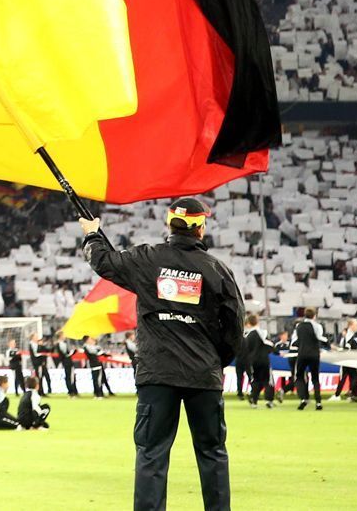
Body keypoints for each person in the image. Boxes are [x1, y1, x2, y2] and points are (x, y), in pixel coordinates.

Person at [82, 197, 243, 511]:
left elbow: (105, 262)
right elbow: (234, 326)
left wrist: (92, 232)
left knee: (152, 454)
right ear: (201, 227)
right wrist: (215, 360)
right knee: (212, 454)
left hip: (157, 375)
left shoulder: (147, 258)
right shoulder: (217, 270)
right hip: (202, 374)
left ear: (169, 223)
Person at [291, 308, 328, 410]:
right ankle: (318, 402)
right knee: (315, 378)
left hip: (302, 354)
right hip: (314, 354)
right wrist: (328, 344)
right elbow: (321, 338)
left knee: (299, 376)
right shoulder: (317, 326)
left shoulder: (299, 326)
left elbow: (294, 342)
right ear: (314, 316)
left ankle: (303, 398)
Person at [242, 313, 276, 409]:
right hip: (264, 360)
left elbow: (245, 350)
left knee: (256, 380)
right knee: (267, 380)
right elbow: (270, 345)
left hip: (253, 361)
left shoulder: (248, 336)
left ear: (248, 323)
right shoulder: (263, 333)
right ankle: (269, 400)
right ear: (257, 321)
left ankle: (254, 401)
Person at [333, 320, 357, 402]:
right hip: (352, 361)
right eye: (356, 325)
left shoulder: (347, 337)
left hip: (346, 361)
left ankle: (343, 395)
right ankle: (352, 395)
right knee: (355, 378)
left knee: (349, 378)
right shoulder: (352, 338)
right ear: (350, 325)